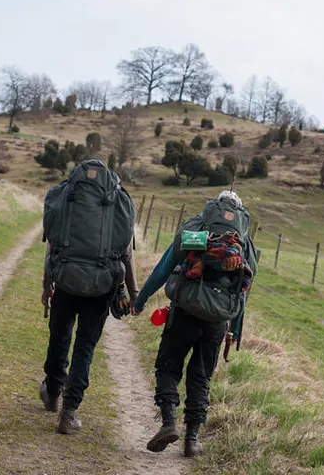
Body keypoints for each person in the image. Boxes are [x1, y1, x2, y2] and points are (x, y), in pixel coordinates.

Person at [132, 190, 257, 458]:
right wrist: (234, 329)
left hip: (185, 311)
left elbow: (164, 268)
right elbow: (243, 288)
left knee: (168, 365)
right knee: (201, 377)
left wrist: (141, 300)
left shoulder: (196, 227)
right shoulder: (243, 241)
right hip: (217, 320)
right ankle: (192, 439)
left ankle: (168, 422)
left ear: (213, 206)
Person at [38, 159, 138, 435]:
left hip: (66, 280)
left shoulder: (64, 195)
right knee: (85, 347)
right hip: (102, 286)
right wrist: (134, 293)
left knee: (59, 336)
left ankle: (54, 391)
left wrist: (47, 286)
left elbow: (52, 246)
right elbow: (127, 253)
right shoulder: (120, 200)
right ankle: (69, 413)